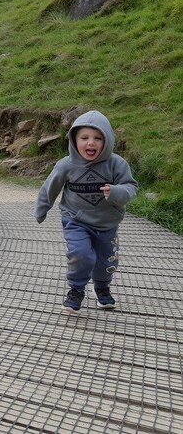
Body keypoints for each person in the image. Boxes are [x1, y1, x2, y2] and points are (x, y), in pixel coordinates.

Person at [35, 110, 138, 314]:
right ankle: (76, 290)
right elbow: (50, 187)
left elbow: (131, 187)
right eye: (84, 138)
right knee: (81, 254)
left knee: (106, 260)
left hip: (107, 223)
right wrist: (42, 208)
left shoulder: (116, 164)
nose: (91, 143)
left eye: (98, 138)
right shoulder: (66, 165)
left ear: (107, 141)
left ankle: (102, 288)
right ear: (74, 140)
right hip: (75, 219)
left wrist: (116, 192)